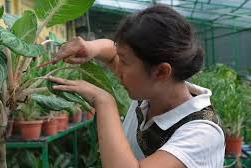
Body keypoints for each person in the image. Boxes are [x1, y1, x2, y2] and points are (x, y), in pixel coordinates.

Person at [47, 5, 225, 168]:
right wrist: (90, 47)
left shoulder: (202, 134)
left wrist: (105, 103)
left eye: (123, 61)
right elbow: (111, 52)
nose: (117, 67)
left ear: (161, 72)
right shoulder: (151, 90)